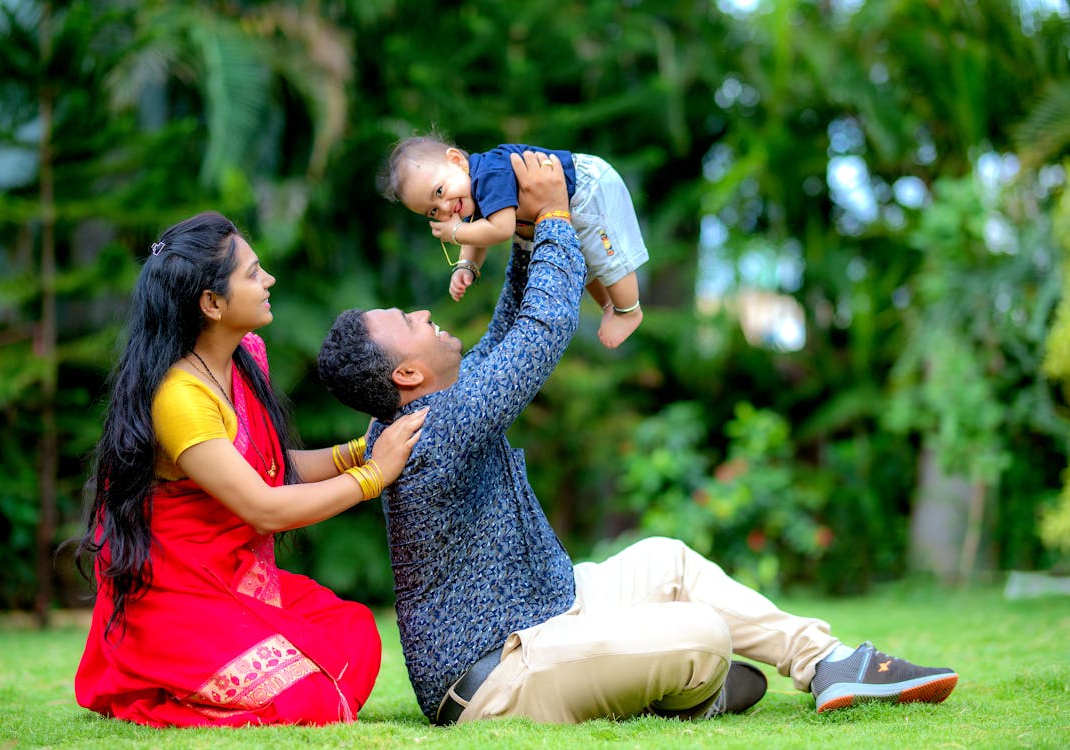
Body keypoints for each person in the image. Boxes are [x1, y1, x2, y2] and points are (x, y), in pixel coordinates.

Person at [318, 152, 958, 725]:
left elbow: (512, 320)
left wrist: (525, 224)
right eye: (410, 321)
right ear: (407, 374)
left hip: (547, 611)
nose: (425, 313)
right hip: (494, 675)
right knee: (704, 635)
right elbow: (541, 330)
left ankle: (831, 665)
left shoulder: (437, 404)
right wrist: (559, 219)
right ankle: (688, 687)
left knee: (669, 561)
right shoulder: (440, 427)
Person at [73, 211, 427, 727]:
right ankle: (159, 682)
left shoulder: (244, 357)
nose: (269, 281)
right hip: (179, 592)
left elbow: (273, 469)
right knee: (311, 699)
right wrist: (374, 477)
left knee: (353, 632)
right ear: (212, 304)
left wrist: (361, 450)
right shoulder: (180, 398)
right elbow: (262, 506)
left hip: (233, 577)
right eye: (253, 273)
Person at [381, 133, 648, 349]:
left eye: (439, 191)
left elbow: (501, 229)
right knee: (587, 265)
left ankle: (629, 311)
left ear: (456, 161)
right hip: (569, 205)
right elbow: (478, 232)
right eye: (432, 211)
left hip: (587, 188)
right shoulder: (470, 193)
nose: (444, 208)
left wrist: (454, 233)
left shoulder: (488, 175)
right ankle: (609, 306)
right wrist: (466, 266)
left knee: (609, 259)